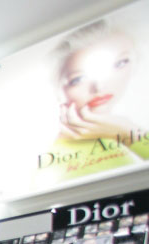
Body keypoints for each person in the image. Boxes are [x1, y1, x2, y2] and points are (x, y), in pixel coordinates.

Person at [53, 20, 147, 158]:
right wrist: (126, 132)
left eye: (119, 64)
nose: (99, 87)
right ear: (59, 90)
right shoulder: (62, 154)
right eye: (78, 79)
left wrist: (125, 131)